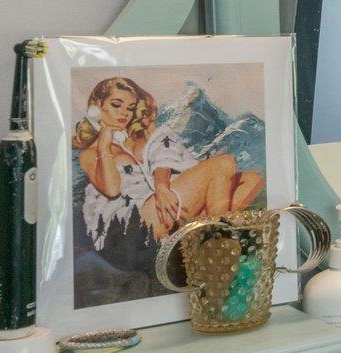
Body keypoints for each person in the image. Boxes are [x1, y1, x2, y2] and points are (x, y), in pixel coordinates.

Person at [72, 76, 263, 251]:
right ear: (97, 107)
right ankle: (217, 244)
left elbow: (163, 156)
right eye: (116, 105)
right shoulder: (90, 154)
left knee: (252, 179)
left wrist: (161, 187)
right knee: (223, 164)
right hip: (135, 222)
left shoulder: (133, 138)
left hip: (161, 205)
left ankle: (202, 232)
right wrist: (104, 147)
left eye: (130, 108)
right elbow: (112, 189)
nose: (125, 113)